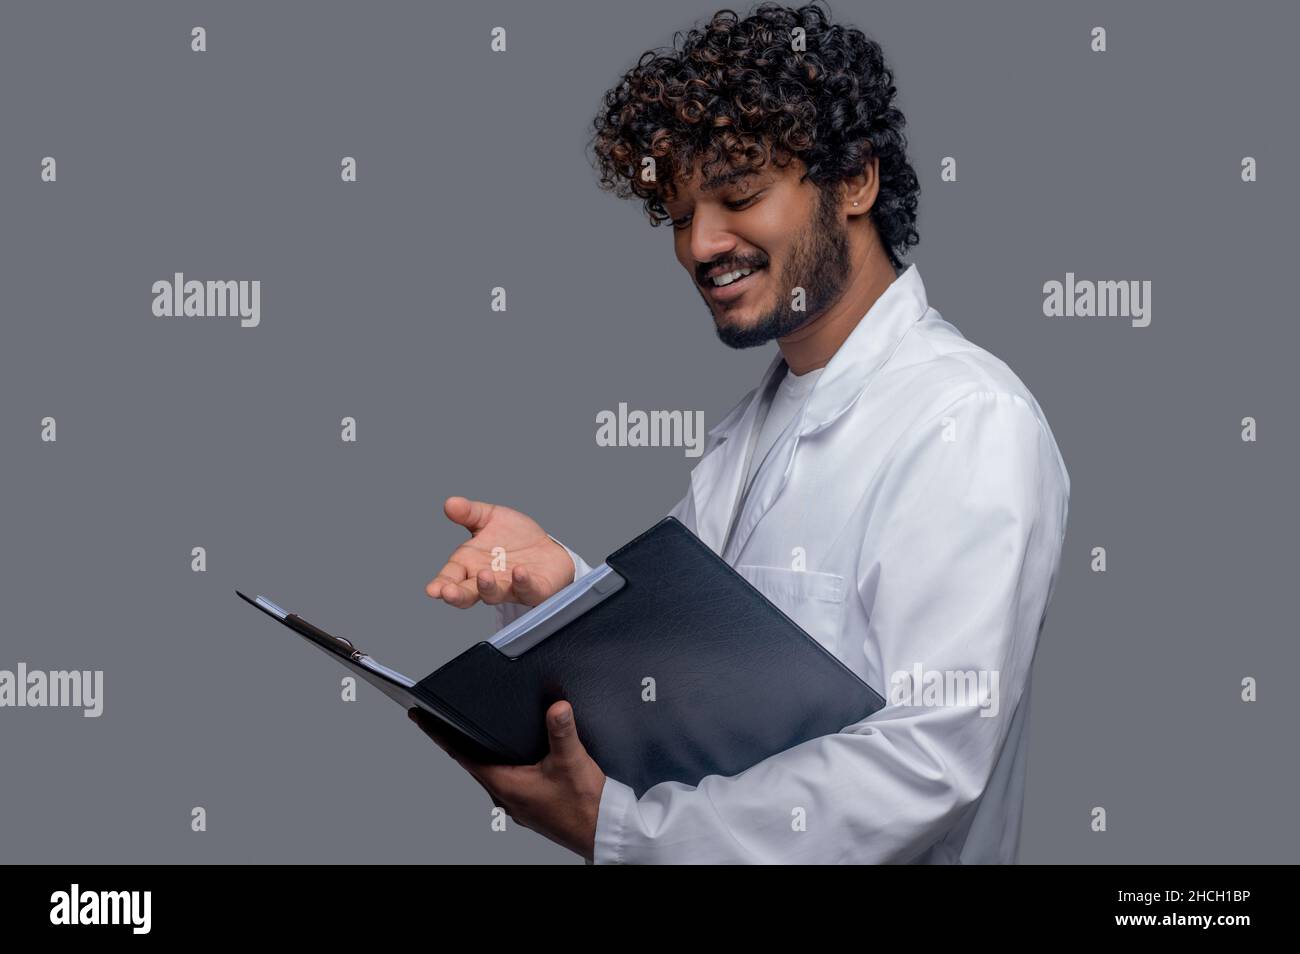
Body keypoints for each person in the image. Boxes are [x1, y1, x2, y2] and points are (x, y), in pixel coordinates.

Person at [412, 2, 1070, 864]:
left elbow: (926, 762)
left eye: (739, 195)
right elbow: (698, 675)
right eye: (681, 215)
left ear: (855, 182)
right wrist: (565, 586)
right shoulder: (756, 426)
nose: (701, 245)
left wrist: (627, 834)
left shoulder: (966, 424)